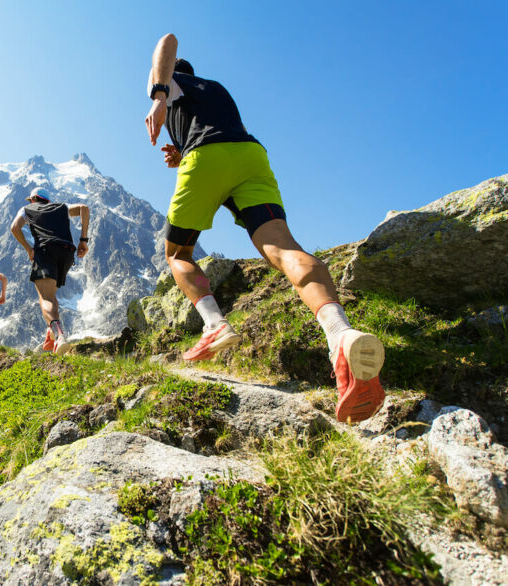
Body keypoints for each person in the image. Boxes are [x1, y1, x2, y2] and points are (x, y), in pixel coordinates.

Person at [144, 33, 385, 423]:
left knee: (177, 254)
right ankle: (340, 334)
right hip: (250, 156)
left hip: (207, 160)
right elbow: (209, 129)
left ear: (172, 77)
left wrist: (157, 94)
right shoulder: (214, 88)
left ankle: (214, 325)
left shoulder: (170, 82)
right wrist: (182, 148)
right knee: (283, 248)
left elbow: (165, 41)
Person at [10, 187, 90, 355]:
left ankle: (60, 335)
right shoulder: (60, 207)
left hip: (46, 251)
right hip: (67, 252)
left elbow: (14, 228)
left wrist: (28, 249)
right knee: (51, 295)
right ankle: (50, 333)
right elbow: (84, 208)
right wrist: (83, 240)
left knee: (45, 297)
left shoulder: (26, 209)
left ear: (33, 199)